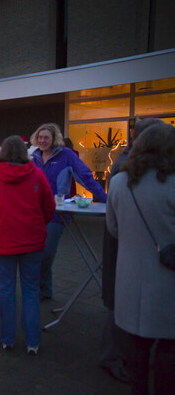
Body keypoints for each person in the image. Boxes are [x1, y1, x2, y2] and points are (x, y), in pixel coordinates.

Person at [105, 121, 175, 395]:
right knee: (169, 346)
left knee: (136, 347)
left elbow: (113, 228)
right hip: (168, 280)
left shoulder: (120, 182)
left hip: (130, 280)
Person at [0, 136, 55, 355]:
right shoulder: (37, 175)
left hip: (3, 242)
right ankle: (32, 341)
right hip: (32, 241)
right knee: (31, 291)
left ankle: (8, 338)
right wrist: (38, 226)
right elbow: (49, 207)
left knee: (7, 290)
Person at [99, 118, 153, 383]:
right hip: (125, 250)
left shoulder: (136, 165)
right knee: (118, 305)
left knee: (120, 303)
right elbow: (116, 222)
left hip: (128, 250)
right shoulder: (125, 168)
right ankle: (113, 356)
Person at [30, 123, 107, 300]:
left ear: (54, 138)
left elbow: (86, 177)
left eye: (46, 137)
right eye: (40, 137)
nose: (42, 141)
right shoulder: (33, 156)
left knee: (47, 253)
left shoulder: (66, 155)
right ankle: (44, 290)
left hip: (56, 213)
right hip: (34, 213)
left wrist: (106, 199)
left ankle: (40, 287)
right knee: (36, 252)